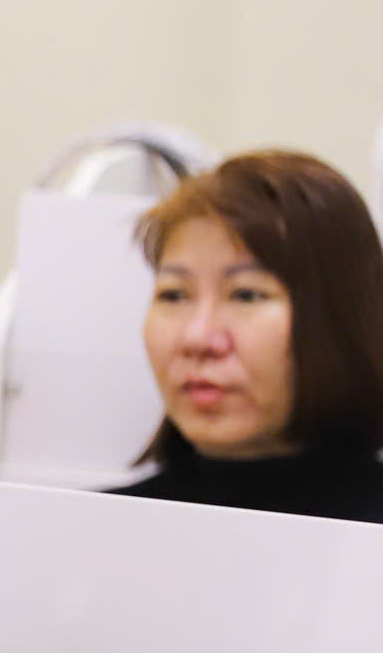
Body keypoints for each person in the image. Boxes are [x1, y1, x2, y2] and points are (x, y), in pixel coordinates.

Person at [111, 150, 383, 522]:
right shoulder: (85, 529)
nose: (197, 338)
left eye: (246, 295)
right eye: (173, 295)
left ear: (340, 319)